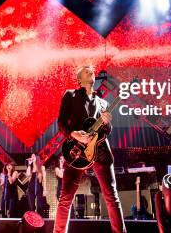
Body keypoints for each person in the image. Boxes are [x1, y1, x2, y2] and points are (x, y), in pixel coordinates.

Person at [54, 65, 126, 233]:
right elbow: (61, 123)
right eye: (86, 70)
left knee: (111, 196)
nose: (90, 70)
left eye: (91, 70)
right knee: (65, 198)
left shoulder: (103, 103)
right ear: (79, 80)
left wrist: (107, 124)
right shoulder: (70, 95)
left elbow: (105, 132)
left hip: (100, 151)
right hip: (76, 151)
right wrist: (74, 134)